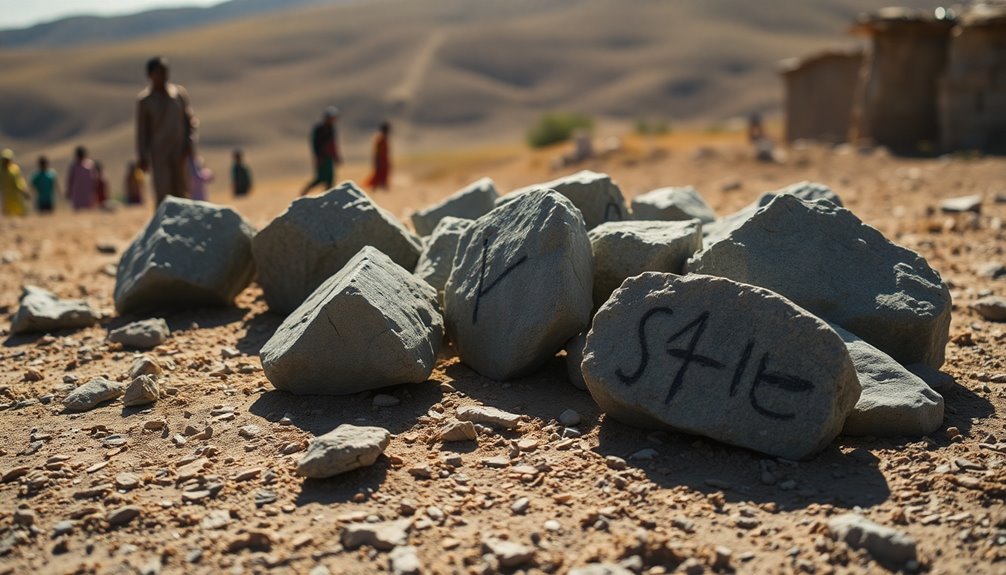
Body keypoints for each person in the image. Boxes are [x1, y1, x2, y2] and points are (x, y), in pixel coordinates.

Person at [136, 56, 197, 204]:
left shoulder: (178, 94)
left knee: (182, 192)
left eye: (165, 72)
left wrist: (189, 143)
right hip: (159, 154)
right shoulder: (145, 101)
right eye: (158, 73)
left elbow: (190, 120)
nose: (163, 76)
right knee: (164, 193)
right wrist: (142, 156)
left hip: (179, 152)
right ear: (150, 75)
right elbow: (142, 131)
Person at [300, 106, 341, 196]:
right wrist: (319, 157)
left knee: (330, 179)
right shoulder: (319, 129)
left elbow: (333, 144)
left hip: (329, 157)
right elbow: (315, 144)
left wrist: (336, 156)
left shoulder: (331, 128)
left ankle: (328, 197)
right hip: (322, 157)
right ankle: (303, 194)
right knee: (320, 178)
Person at [66, 145, 98, 211]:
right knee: (78, 209)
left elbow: (94, 178)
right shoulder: (74, 166)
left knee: (88, 209)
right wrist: (69, 190)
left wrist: (95, 188)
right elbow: (70, 179)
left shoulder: (90, 164)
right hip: (77, 191)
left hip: (88, 191)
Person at [0, 149, 29, 217]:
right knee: (8, 215)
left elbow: (20, 181)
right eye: (5, 159)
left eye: (8, 159)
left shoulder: (15, 169)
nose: (7, 161)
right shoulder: (1, 171)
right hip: (7, 198)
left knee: (21, 213)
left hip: (17, 196)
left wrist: (25, 191)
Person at [364, 121, 391, 192]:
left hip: (384, 159)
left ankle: (383, 186)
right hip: (380, 159)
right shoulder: (380, 138)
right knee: (378, 174)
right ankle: (375, 187)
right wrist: (377, 160)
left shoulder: (384, 137)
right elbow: (377, 151)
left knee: (383, 173)